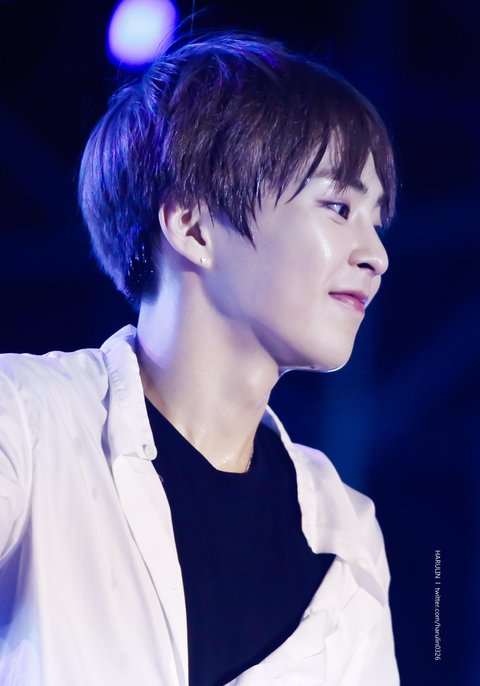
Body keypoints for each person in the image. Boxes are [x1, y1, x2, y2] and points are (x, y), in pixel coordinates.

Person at [0, 33, 400, 686]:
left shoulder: (347, 532)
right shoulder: (29, 419)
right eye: (338, 207)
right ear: (193, 227)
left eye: (376, 220)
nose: (376, 255)